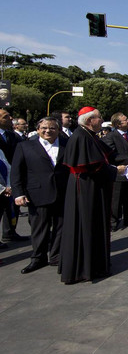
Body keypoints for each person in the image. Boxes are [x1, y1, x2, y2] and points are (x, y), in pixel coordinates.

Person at [59, 107, 128, 285]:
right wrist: (116, 170)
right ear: (90, 120)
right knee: (87, 225)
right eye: (99, 117)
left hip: (94, 188)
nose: (102, 120)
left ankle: (97, 265)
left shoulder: (90, 136)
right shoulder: (81, 137)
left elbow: (110, 155)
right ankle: (86, 268)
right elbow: (89, 167)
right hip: (86, 189)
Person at [11, 117, 69, 273]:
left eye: (52, 128)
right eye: (44, 128)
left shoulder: (67, 145)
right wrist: (18, 194)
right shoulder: (25, 146)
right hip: (37, 194)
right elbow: (16, 173)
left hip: (62, 193)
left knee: (60, 227)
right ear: (37, 129)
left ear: (58, 130)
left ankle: (56, 256)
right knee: (39, 229)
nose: (48, 131)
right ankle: (38, 258)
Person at [102, 112, 128, 231]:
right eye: (126, 120)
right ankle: (114, 221)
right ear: (118, 124)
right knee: (116, 199)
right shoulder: (110, 137)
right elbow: (112, 155)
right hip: (119, 173)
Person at [0, 109, 28, 243]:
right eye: (6, 117)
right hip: (1, 178)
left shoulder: (13, 136)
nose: (10, 118)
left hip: (13, 176)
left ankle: (10, 232)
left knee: (12, 207)